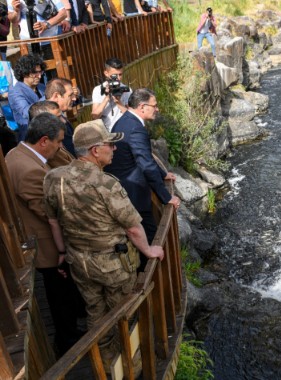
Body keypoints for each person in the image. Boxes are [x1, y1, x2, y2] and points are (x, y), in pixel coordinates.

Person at [43, 120, 164, 365]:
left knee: (94, 312)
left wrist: (62, 252)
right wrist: (149, 250)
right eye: (110, 144)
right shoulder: (106, 183)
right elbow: (132, 227)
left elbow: (53, 221)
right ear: (95, 150)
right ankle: (129, 362)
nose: (115, 149)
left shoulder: (54, 178)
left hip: (79, 261)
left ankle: (106, 361)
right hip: (112, 264)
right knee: (123, 312)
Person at [5, 112, 84, 355]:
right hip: (47, 245)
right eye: (59, 141)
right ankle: (68, 342)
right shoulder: (30, 170)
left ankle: (70, 334)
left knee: (63, 294)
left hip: (44, 240)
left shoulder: (18, 154)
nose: (61, 146)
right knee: (60, 297)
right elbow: (50, 213)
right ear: (43, 141)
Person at [105, 88, 180, 268]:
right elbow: (145, 164)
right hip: (133, 192)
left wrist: (163, 174)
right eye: (154, 106)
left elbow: (142, 155)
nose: (157, 109)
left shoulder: (124, 121)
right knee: (152, 237)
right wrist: (167, 197)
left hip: (124, 186)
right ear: (142, 106)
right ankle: (153, 277)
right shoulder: (135, 128)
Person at [8, 54, 46, 142]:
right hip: (30, 138)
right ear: (24, 73)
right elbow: (27, 112)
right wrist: (48, 97)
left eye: (40, 72)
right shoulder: (15, 92)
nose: (39, 76)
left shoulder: (41, 87)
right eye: (35, 73)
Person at [29, 100, 74, 168]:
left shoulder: (55, 143)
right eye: (57, 118)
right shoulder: (49, 153)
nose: (64, 121)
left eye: (61, 116)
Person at [91, 58, 131, 131]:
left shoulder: (126, 89)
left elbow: (131, 116)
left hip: (125, 130)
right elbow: (95, 116)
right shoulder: (98, 90)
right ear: (106, 73)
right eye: (114, 75)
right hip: (107, 133)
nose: (118, 78)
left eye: (120, 74)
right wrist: (106, 98)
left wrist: (118, 102)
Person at [45, 78, 77, 157]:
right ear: (56, 96)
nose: (74, 98)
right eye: (70, 95)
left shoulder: (59, 112)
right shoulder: (45, 120)